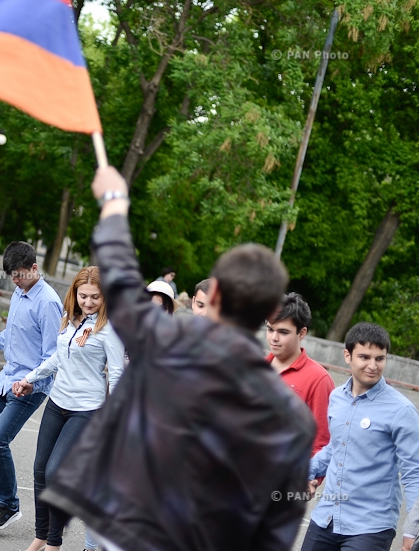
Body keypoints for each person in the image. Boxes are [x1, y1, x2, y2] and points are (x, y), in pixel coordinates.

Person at [41, 166, 315, 551]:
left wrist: (115, 203)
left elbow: (119, 278)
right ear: (270, 310)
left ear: (213, 293)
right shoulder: (293, 418)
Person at [12, 265, 125, 551]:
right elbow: (57, 359)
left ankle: (53, 543)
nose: (88, 302)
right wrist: (30, 378)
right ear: (74, 293)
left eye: (95, 297)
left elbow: (119, 374)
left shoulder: (109, 329)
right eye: (83, 296)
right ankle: (40, 535)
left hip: (87, 408)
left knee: (55, 472)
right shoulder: (68, 319)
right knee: (39, 469)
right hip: (57, 402)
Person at [0, 241, 63, 530]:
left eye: (19, 275)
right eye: (12, 277)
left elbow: (53, 355)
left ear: (34, 268)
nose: (15, 281)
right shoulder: (19, 292)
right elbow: (11, 335)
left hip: (29, 387)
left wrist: (32, 382)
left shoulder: (48, 303)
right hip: (6, 381)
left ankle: (9, 505)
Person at [302, 322, 419, 551]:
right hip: (326, 517)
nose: (373, 365)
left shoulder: (401, 410)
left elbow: (414, 472)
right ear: (348, 355)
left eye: (380, 358)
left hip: (370, 527)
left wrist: (413, 528)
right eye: (364, 357)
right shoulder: (336, 398)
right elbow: (335, 448)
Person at [265, 292, 334, 456]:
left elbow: (321, 444)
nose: (274, 338)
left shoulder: (319, 379)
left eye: (283, 332)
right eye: (270, 329)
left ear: (301, 333)